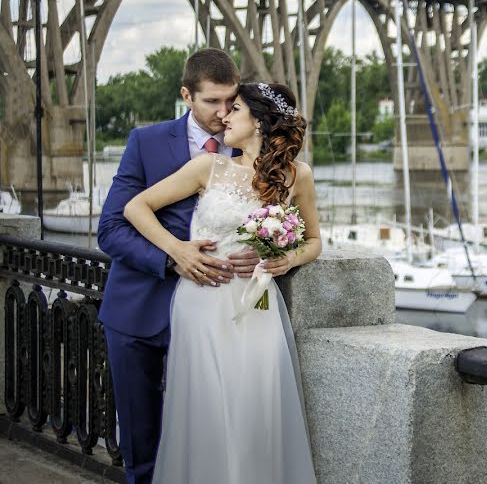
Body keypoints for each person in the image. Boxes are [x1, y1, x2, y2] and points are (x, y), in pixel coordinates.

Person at [123, 82, 321, 483]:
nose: (224, 116)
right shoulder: (207, 168)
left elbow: (315, 241)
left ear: (260, 121)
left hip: (258, 306)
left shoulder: (297, 176)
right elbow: (136, 207)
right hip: (202, 303)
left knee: (255, 408)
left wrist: (286, 259)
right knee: (207, 409)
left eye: (236, 109)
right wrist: (179, 249)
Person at [97, 48, 258, 484]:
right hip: (139, 311)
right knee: (141, 442)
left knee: (212, 438)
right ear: (187, 95)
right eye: (212, 102)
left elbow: (276, 224)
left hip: (217, 319)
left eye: (231, 100)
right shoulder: (145, 143)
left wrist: (265, 251)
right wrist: (174, 256)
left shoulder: (251, 150)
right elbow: (111, 228)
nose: (223, 113)